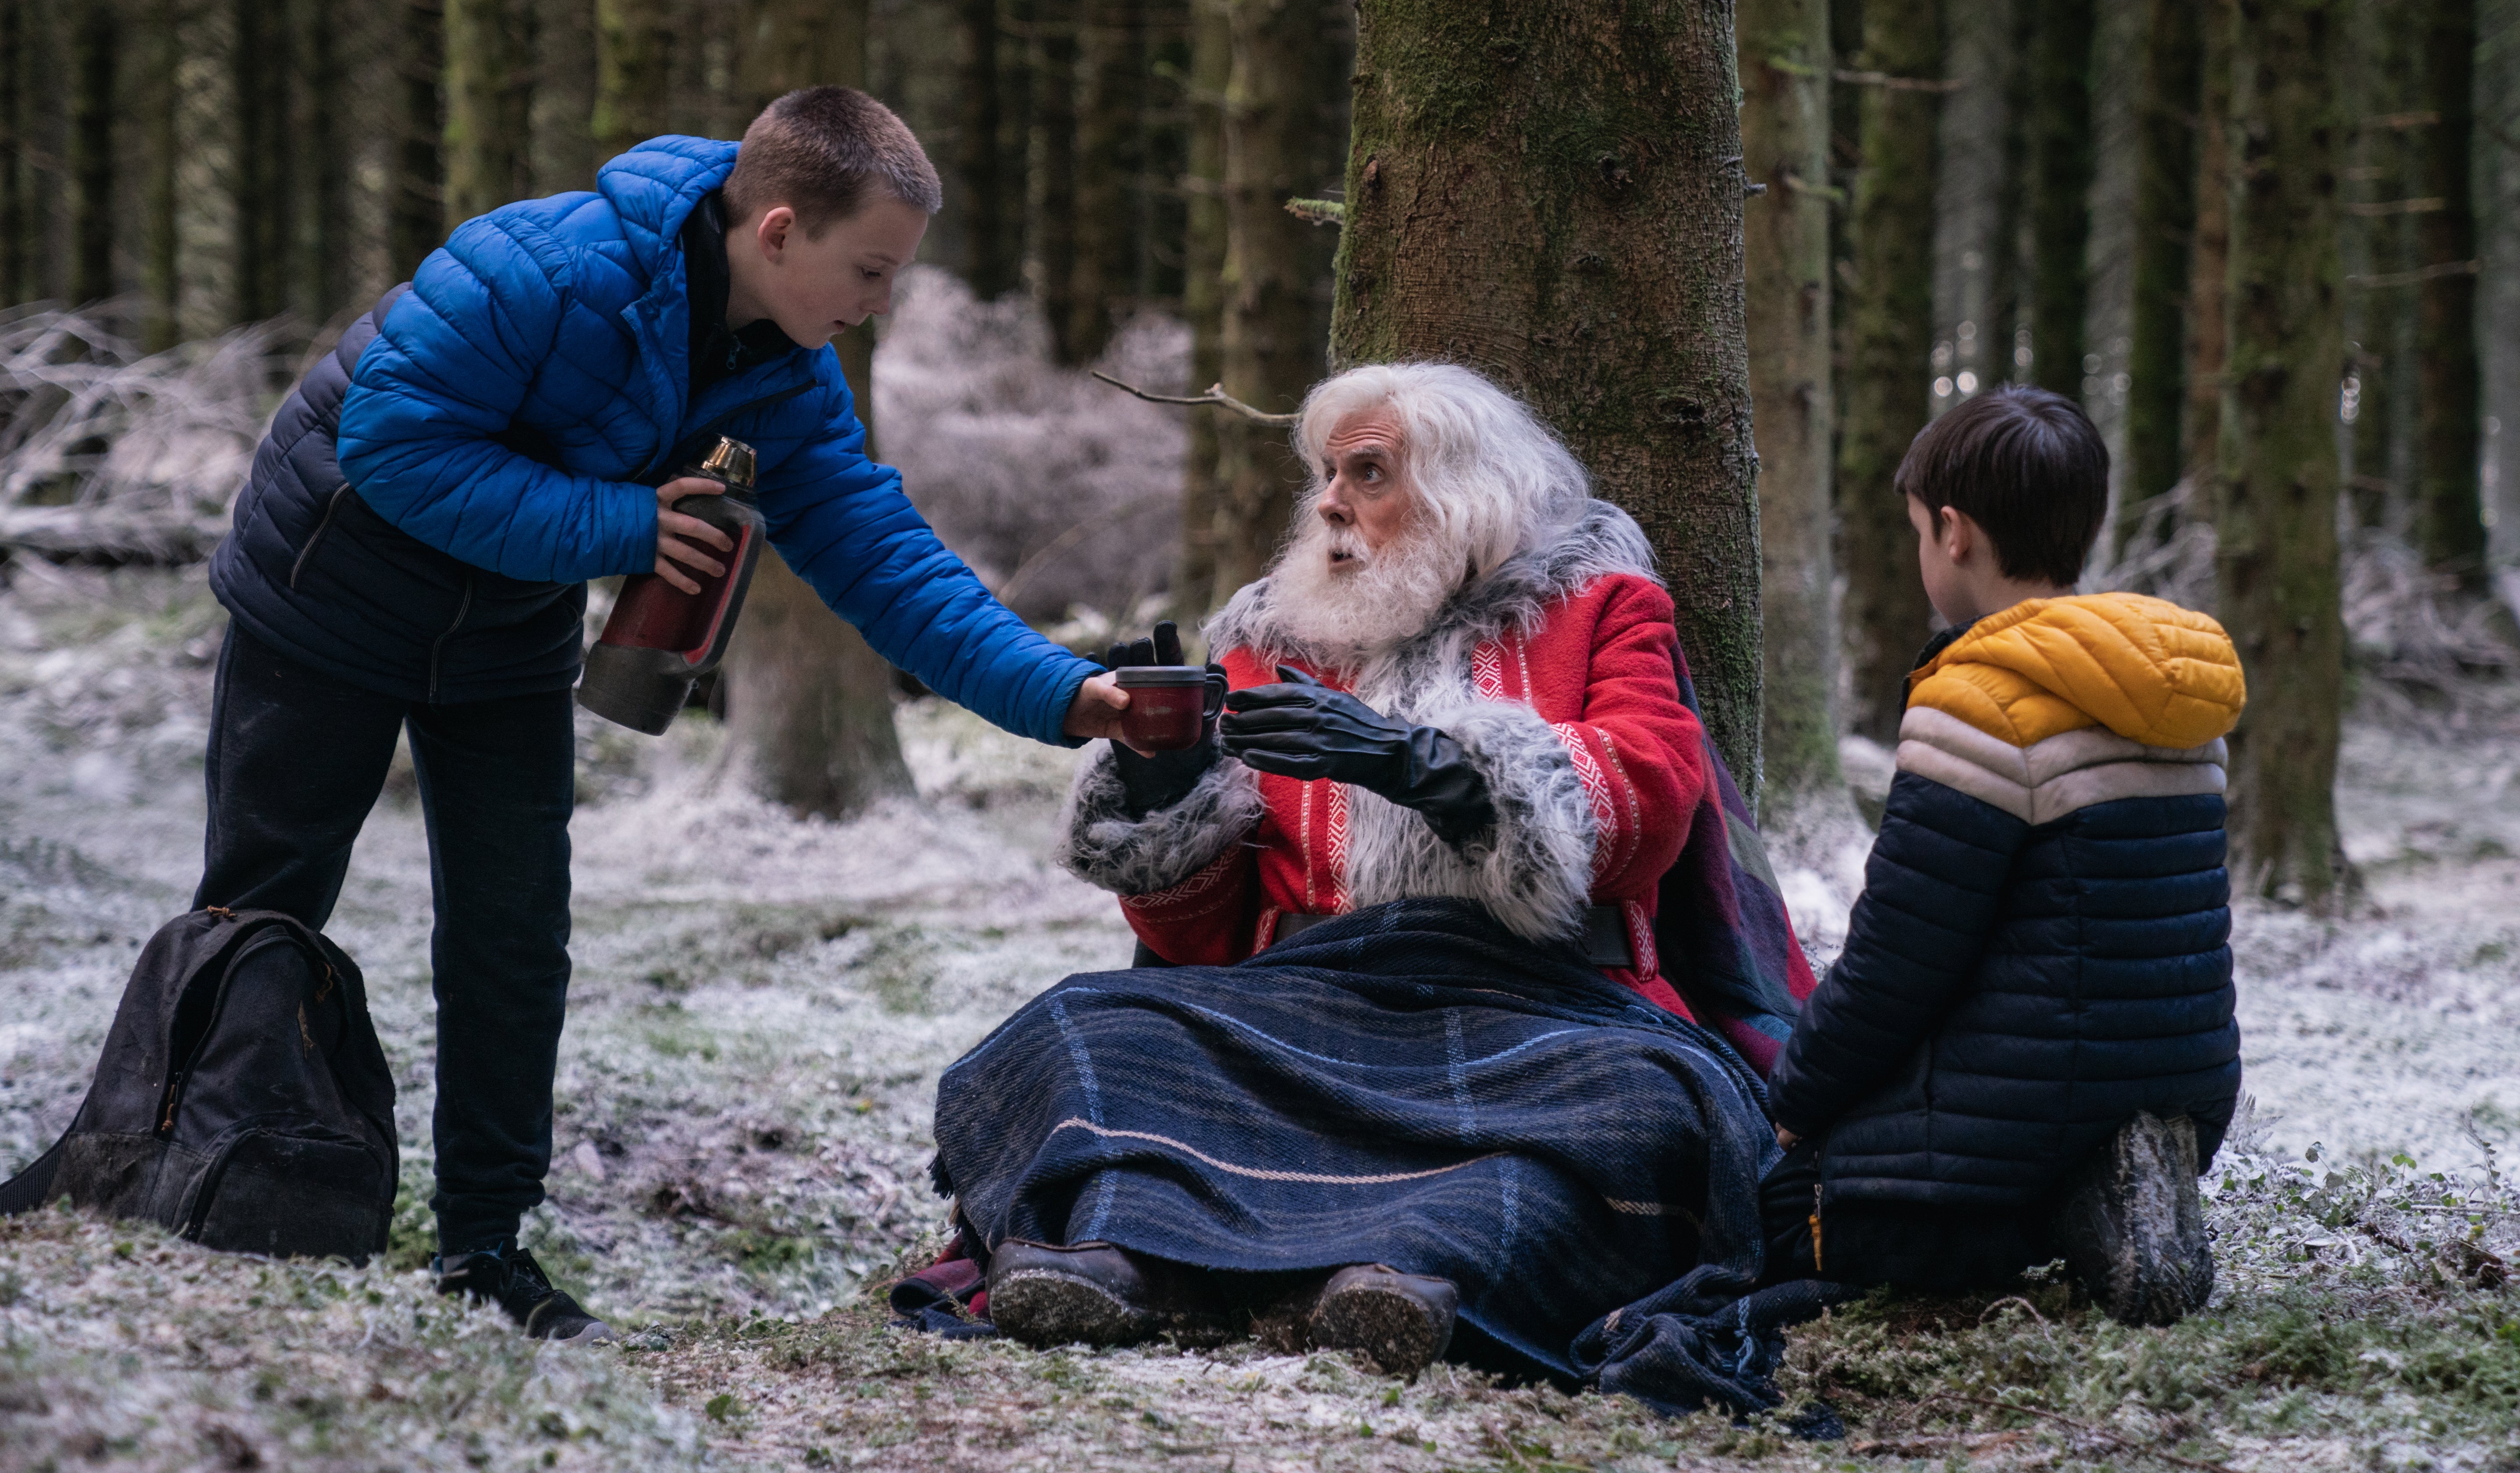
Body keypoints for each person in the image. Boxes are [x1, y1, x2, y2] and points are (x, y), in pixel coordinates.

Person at [200, 88, 1134, 1341]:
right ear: (783, 230)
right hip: (329, 595)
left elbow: (884, 558)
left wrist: (1064, 695)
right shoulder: (545, 269)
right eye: (870, 269)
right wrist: (629, 524)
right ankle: (205, 1181)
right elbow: (392, 446)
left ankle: (485, 1250)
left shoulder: (787, 384)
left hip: (505, 630)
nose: (880, 304)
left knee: (513, 937)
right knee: (266, 906)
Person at [916, 365, 1825, 1417]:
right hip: (1310, 1004)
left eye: (1368, 472)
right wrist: (1168, 795)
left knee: (1643, 1111)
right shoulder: (1264, 645)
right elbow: (1208, 938)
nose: (1329, 503)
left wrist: (1425, 766)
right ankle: (1118, 1258)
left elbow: (1653, 798)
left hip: (1541, 1010)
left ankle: (1386, 1277)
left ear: (1467, 488)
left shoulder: (1606, 607)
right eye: (1324, 473)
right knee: (1077, 1027)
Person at [1761, 385, 2245, 1325]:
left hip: (2033, 1099)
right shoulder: (2174, 691)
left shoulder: (1980, 699)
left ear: (1953, 532)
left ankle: (2060, 1211)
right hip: (2186, 1076)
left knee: (1785, 1209)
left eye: (1913, 530)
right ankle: (2106, 1188)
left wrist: (1793, 1099)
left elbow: (1900, 959)